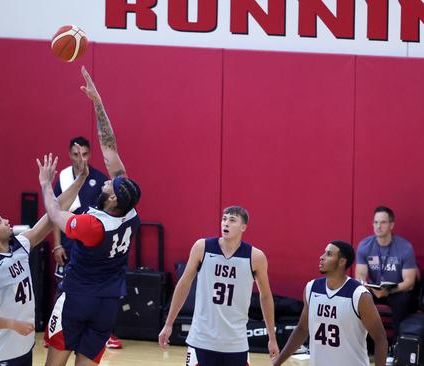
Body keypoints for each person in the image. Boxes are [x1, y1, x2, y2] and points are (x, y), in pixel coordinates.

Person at [40, 66, 142, 366]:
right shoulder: (130, 213)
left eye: (112, 183)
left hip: (77, 299)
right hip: (107, 303)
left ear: (111, 198)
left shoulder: (91, 225)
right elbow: (110, 147)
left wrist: (47, 183)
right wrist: (98, 103)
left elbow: (55, 213)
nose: (110, 178)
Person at [0, 148, 89, 366]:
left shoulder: (19, 244)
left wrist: (80, 180)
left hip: (21, 346)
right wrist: (12, 323)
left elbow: (53, 215)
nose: (6, 220)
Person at [159, 206, 279, 366]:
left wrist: (272, 337)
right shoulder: (202, 247)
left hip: (236, 342)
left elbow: (265, 296)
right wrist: (168, 324)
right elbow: (184, 284)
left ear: (243, 227)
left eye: (232, 220)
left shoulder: (255, 257)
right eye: (224, 219)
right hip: (201, 339)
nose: (226, 223)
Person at [51, 136, 120, 348]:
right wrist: (57, 244)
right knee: (62, 285)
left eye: (84, 154)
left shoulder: (100, 180)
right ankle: (55, 329)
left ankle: (105, 332)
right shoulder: (62, 178)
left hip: (92, 241)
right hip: (68, 240)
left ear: (90, 154)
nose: (80, 158)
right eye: (75, 154)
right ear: (69, 155)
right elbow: (55, 212)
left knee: (97, 286)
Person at [273, 241, 388, 366]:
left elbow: (380, 339)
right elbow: (302, 329)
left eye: (328, 254)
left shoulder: (359, 295)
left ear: (342, 261)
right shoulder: (312, 288)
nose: (321, 257)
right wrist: (278, 362)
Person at [355, 206, 419, 335]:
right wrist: (371, 289)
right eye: (376, 222)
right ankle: (367, 345)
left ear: (391, 225)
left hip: (398, 290)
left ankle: (396, 347)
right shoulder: (364, 246)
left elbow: (409, 282)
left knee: (403, 302)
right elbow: (360, 277)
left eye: (383, 222)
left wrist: (389, 290)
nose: (378, 226)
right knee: (359, 298)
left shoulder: (405, 247)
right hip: (375, 289)